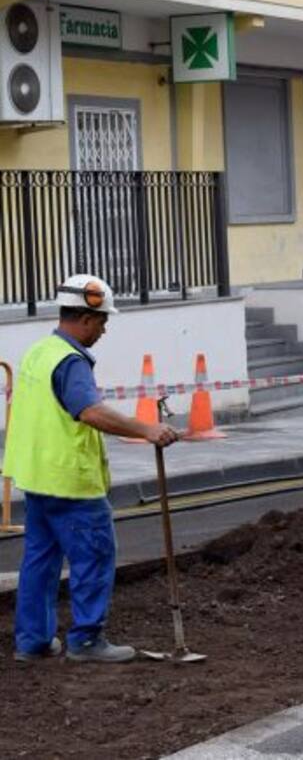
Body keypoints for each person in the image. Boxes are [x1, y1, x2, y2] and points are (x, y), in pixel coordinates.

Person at [5, 276, 180, 664]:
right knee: (95, 556)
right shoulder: (70, 361)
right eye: (102, 322)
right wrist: (147, 429)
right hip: (71, 482)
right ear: (84, 318)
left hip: (36, 477)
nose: (104, 330)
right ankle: (85, 640)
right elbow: (91, 411)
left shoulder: (39, 351)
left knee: (40, 560)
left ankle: (32, 642)